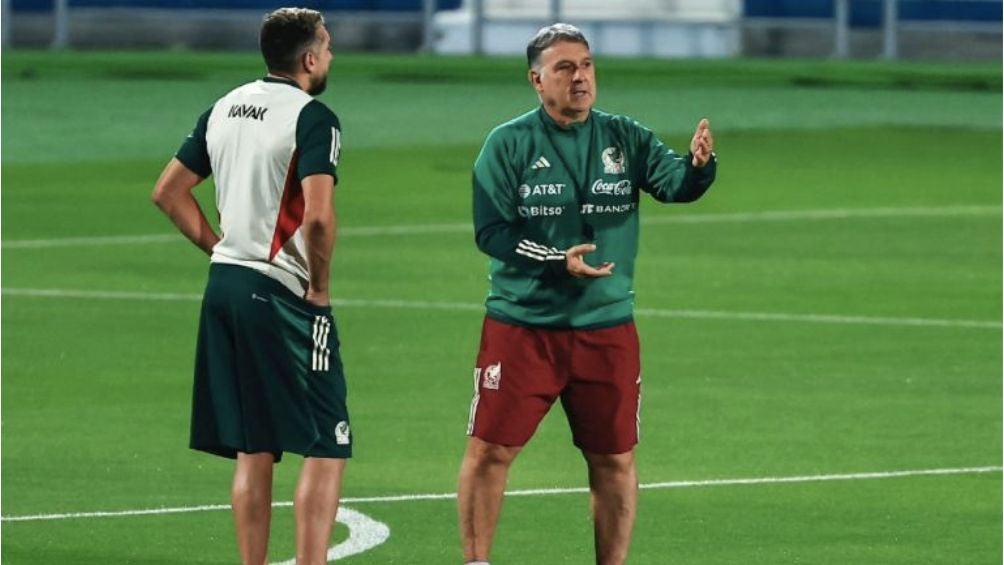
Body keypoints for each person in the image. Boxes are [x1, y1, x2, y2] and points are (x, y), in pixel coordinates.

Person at [457, 23, 717, 565]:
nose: (580, 77)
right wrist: (556, 261)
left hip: (607, 329)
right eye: (565, 68)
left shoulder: (624, 137)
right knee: (489, 453)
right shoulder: (507, 145)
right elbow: (492, 233)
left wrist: (698, 168)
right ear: (536, 79)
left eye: (587, 65)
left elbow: (672, 184)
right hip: (523, 328)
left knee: (614, 460)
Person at [151, 8, 349, 564]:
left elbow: (168, 192)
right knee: (327, 442)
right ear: (309, 58)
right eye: (327, 47)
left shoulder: (224, 107)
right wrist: (320, 289)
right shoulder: (314, 117)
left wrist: (219, 248)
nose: (331, 55)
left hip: (224, 288)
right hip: (281, 294)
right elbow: (317, 216)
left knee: (253, 449)